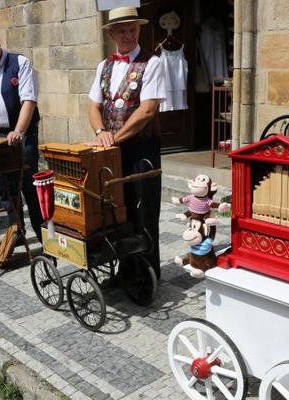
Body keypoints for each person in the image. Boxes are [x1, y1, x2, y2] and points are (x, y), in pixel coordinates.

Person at [87, 7, 166, 278]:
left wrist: (114, 138)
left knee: (144, 210)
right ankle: (125, 272)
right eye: (122, 29)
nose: (128, 34)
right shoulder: (104, 65)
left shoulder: (152, 63)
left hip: (141, 149)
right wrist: (100, 132)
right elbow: (93, 105)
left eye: (132, 29)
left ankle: (147, 275)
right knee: (118, 212)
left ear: (139, 30)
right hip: (111, 151)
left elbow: (147, 110)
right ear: (111, 33)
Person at [0, 27, 43, 243]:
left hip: (21, 135)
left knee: (29, 187)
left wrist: (19, 131)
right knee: (5, 189)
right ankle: (17, 233)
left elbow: (29, 101)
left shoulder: (19, 62)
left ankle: (44, 238)